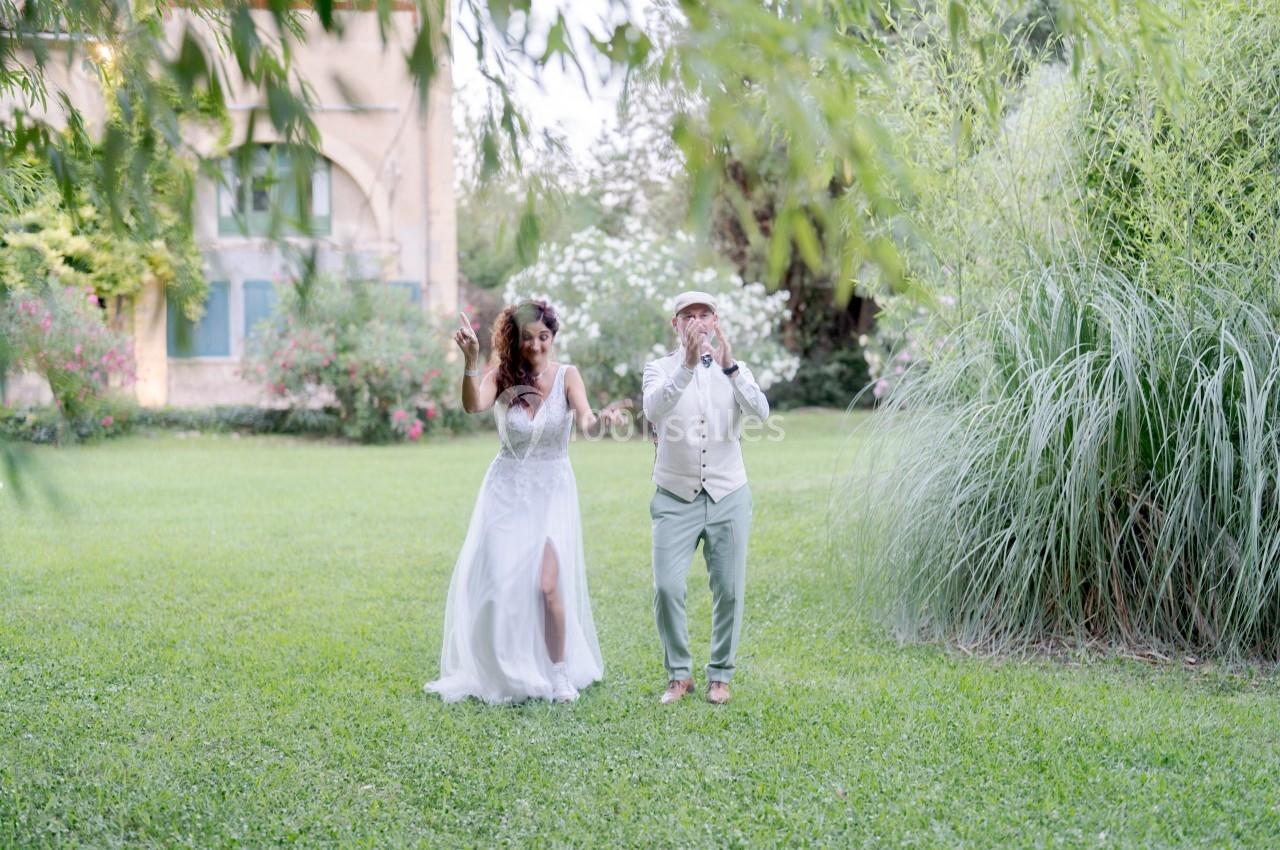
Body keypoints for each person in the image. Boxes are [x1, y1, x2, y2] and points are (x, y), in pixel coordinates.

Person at [425, 299, 625, 704]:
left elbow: (585, 420)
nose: (536, 346)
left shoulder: (568, 375)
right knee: (501, 584)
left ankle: (559, 674)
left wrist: (602, 420)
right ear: (515, 340)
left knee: (548, 585)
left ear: (553, 337)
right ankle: (506, 667)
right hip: (506, 491)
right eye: (528, 338)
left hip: (552, 491)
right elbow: (472, 405)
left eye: (544, 337)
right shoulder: (501, 376)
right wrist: (470, 361)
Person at [641, 290, 770, 705]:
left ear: (714, 321)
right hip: (674, 496)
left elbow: (761, 411)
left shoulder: (736, 368)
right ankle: (679, 675)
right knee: (666, 588)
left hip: (728, 492)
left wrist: (730, 366)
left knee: (729, 590)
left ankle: (720, 675)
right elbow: (653, 410)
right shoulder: (658, 368)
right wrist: (687, 366)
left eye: (704, 315)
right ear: (675, 324)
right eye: (687, 316)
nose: (696, 322)